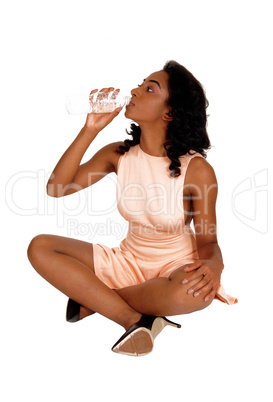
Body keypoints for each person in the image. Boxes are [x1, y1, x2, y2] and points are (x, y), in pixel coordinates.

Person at [27, 60, 237, 357]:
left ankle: (95, 300)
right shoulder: (119, 154)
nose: (135, 91)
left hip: (175, 268)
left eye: (149, 88)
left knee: (192, 294)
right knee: (40, 246)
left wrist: (215, 267)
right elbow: (57, 188)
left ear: (170, 112)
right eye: (140, 84)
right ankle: (134, 319)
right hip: (127, 261)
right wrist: (89, 130)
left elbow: (207, 240)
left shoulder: (198, 169)